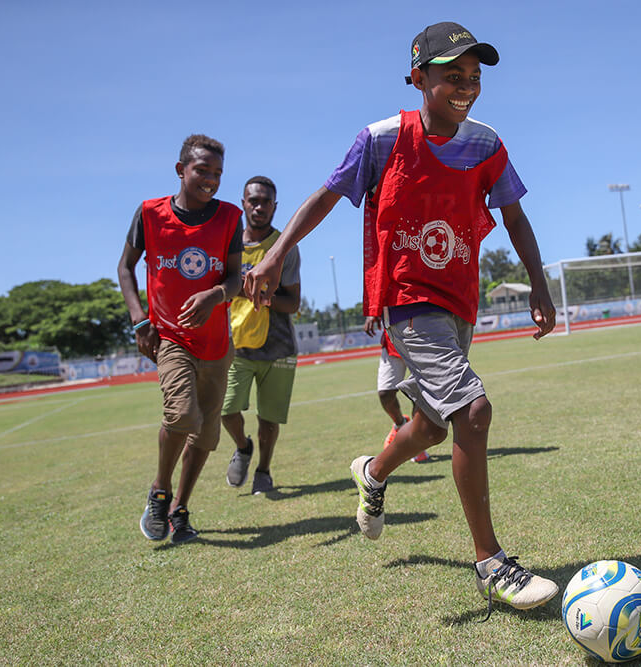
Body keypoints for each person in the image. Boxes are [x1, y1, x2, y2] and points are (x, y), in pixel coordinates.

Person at [243, 22, 559, 614]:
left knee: (435, 427)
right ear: (418, 77)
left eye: (473, 76)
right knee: (473, 409)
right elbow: (325, 196)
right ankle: (491, 563)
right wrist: (277, 252)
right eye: (450, 76)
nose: (465, 86)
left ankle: (374, 471)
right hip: (406, 300)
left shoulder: (487, 143)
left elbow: (515, 217)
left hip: (459, 298)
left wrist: (539, 283)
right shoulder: (381, 139)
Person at [117, 134, 242, 544]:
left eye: (217, 173)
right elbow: (125, 268)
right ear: (181, 170)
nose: (210, 180)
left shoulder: (229, 217)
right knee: (183, 415)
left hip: (217, 344)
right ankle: (159, 491)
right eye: (202, 170)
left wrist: (215, 295)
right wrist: (140, 319)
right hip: (171, 338)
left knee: (207, 435)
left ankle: (180, 509)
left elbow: (235, 277)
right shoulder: (150, 214)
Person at [221, 176, 301, 495]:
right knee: (226, 410)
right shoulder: (229, 247)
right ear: (243, 203)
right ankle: (243, 447)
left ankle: (263, 471)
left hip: (278, 347)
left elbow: (293, 303)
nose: (259, 207)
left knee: (269, 418)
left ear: (274, 207)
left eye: (265, 201)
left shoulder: (284, 248)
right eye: (253, 200)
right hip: (236, 346)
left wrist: (259, 296)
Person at [364, 316, 429, 463]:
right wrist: (373, 312)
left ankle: (416, 444)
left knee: (418, 393)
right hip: (393, 337)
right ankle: (400, 424)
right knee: (385, 393)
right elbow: (378, 291)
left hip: (421, 334)